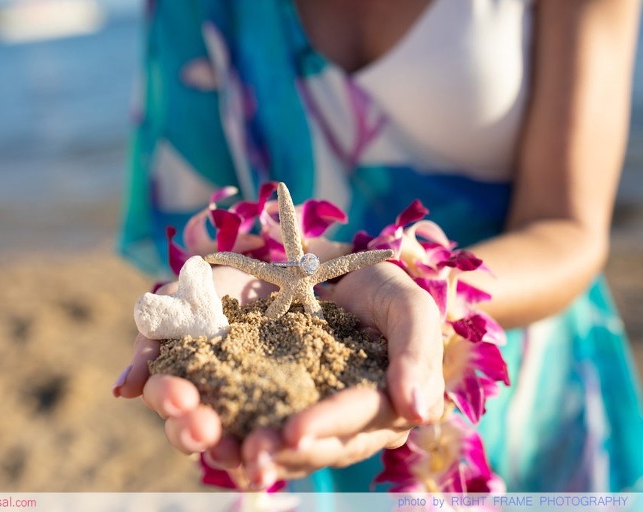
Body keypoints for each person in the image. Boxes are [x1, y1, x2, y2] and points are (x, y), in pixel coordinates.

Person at [113, 0, 643, 492]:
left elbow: (568, 226)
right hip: (303, 389)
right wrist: (213, 279)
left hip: (522, 363)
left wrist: (419, 287)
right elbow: (206, 223)